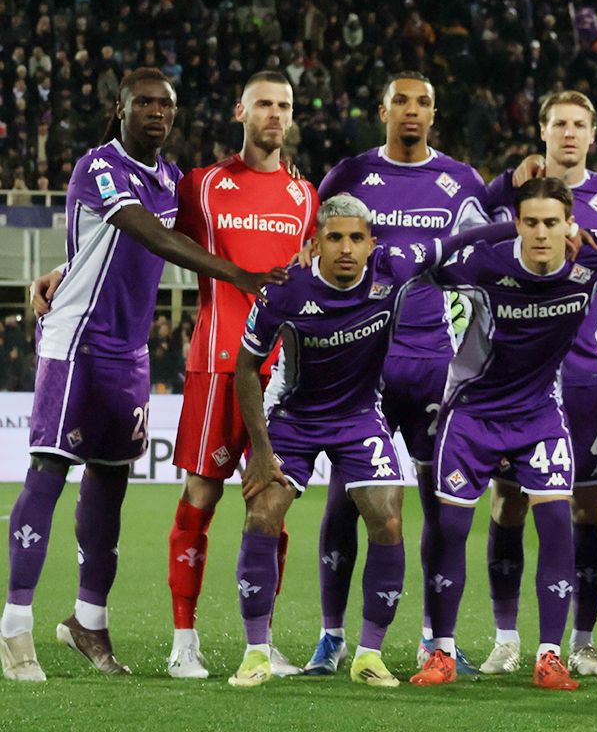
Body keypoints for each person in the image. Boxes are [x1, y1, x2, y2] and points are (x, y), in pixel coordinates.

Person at [0, 68, 283, 682]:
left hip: (129, 355)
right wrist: (239, 275)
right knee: (48, 472)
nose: (157, 112)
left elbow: (133, 241)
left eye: (166, 104)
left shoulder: (171, 179)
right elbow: (149, 235)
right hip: (76, 342)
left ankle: (88, 621)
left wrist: (62, 267)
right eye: (145, 103)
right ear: (120, 108)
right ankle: (14, 627)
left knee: (109, 485)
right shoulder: (99, 166)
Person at [409, 178, 597, 691]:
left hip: (538, 415)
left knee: (558, 523)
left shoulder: (591, 259)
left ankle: (550, 656)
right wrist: (495, 231)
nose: (541, 233)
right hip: (471, 416)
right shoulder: (486, 264)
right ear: (517, 223)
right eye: (530, 223)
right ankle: (441, 651)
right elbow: (426, 263)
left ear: (569, 225)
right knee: (450, 530)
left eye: (551, 223)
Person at [227, 194, 513, 688]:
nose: (346, 248)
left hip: (359, 416)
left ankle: (368, 656)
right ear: (315, 244)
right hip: (295, 416)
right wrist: (261, 450)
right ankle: (255, 653)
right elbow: (246, 367)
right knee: (262, 512)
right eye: (335, 238)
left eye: (356, 238)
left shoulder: (393, 269)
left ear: (371, 244)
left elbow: (459, 241)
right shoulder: (285, 290)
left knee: (388, 517)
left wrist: (519, 230)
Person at [305, 72, 489, 676]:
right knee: (346, 501)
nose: (412, 111)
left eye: (423, 102)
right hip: (366, 369)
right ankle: (332, 637)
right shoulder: (350, 175)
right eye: (401, 101)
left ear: (434, 114)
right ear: (382, 110)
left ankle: (438, 639)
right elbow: (314, 251)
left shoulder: (461, 182)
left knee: (443, 508)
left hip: (437, 367)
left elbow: (487, 256)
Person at [478, 91, 597, 678]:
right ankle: (505, 638)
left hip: (583, 373)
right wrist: (505, 184)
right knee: (508, 501)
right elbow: (471, 220)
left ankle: (583, 641)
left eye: (579, 125)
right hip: (516, 375)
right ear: (542, 131)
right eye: (559, 124)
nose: (569, 134)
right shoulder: (514, 192)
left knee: (589, 504)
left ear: (593, 134)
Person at [163, 70, 317, 679]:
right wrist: (64, 269)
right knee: (200, 499)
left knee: (271, 504)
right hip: (216, 364)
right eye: (263, 105)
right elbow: (140, 232)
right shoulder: (203, 185)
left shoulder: (304, 196)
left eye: (283, 105)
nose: (274, 114)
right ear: (240, 112)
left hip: (278, 377)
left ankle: (264, 640)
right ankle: (184, 641)